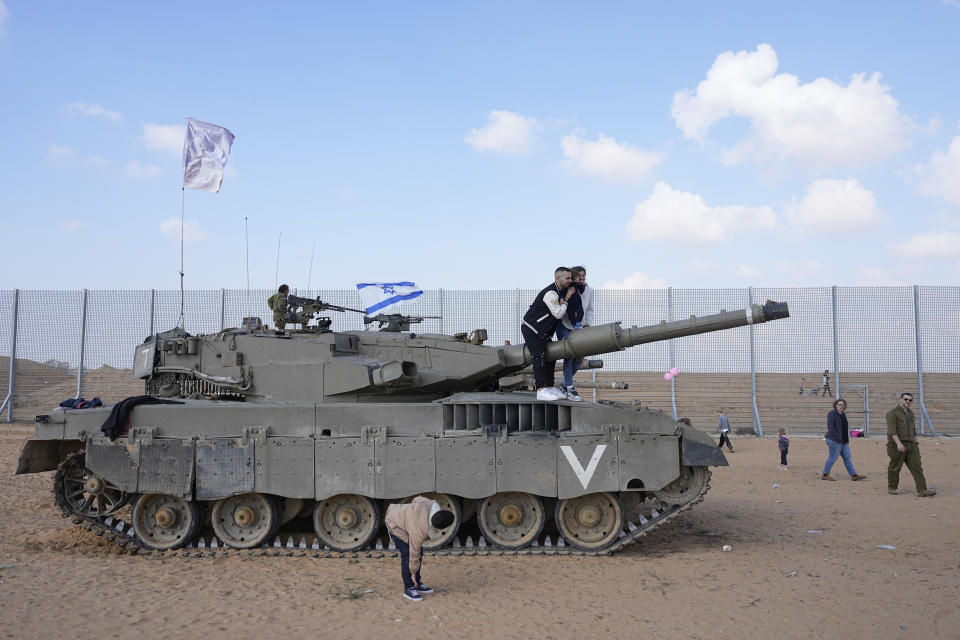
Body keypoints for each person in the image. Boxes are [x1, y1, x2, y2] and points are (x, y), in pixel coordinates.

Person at [384, 496, 456, 601]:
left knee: (419, 552)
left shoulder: (431, 504)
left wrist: (412, 513)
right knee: (407, 554)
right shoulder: (419, 532)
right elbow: (414, 553)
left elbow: (417, 499)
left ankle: (417, 582)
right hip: (394, 522)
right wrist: (412, 573)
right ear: (440, 528)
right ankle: (409, 587)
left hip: (403, 517)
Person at [522, 267, 576, 401]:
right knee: (539, 356)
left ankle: (550, 388)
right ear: (558, 278)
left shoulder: (559, 291)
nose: (570, 280)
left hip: (543, 330)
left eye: (570, 277)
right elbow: (558, 313)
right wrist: (566, 302)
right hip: (532, 328)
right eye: (567, 278)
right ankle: (541, 390)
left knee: (550, 357)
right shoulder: (551, 293)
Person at [555, 265, 594, 400]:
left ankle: (564, 384)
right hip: (565, 326)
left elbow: (589, 309)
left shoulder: (588, 291)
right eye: (579, 277)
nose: (582, 279)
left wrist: (588, 323)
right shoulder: (568, 289)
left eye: (584, 277)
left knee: (580, 357)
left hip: (580, 327)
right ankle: (570, 388)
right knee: (569, 355)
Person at [886, 393, 936, 497]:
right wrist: (899, 444)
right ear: (900, 399)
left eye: (910, 400)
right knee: (895, 467)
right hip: (896, 445)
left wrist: (916, 442)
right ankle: (892, 488)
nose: (908, 401)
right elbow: (892, 431)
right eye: (906, 399)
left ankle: (922, 490)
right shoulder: (892, 413)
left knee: (917, 466)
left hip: (911, 445)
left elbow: (913, 429)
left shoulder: (910, 413)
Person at [822, 398, 867, 481]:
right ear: (836, 405)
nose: (841, 406)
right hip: (834, 440)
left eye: (842, 405)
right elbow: (831, 427)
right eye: (839, 404)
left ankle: (853, 475)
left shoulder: (843, 414)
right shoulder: (832, 414)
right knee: (833, 458)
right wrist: (836, 438)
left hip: (843, 441)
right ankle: (825, 474)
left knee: (847, 457)